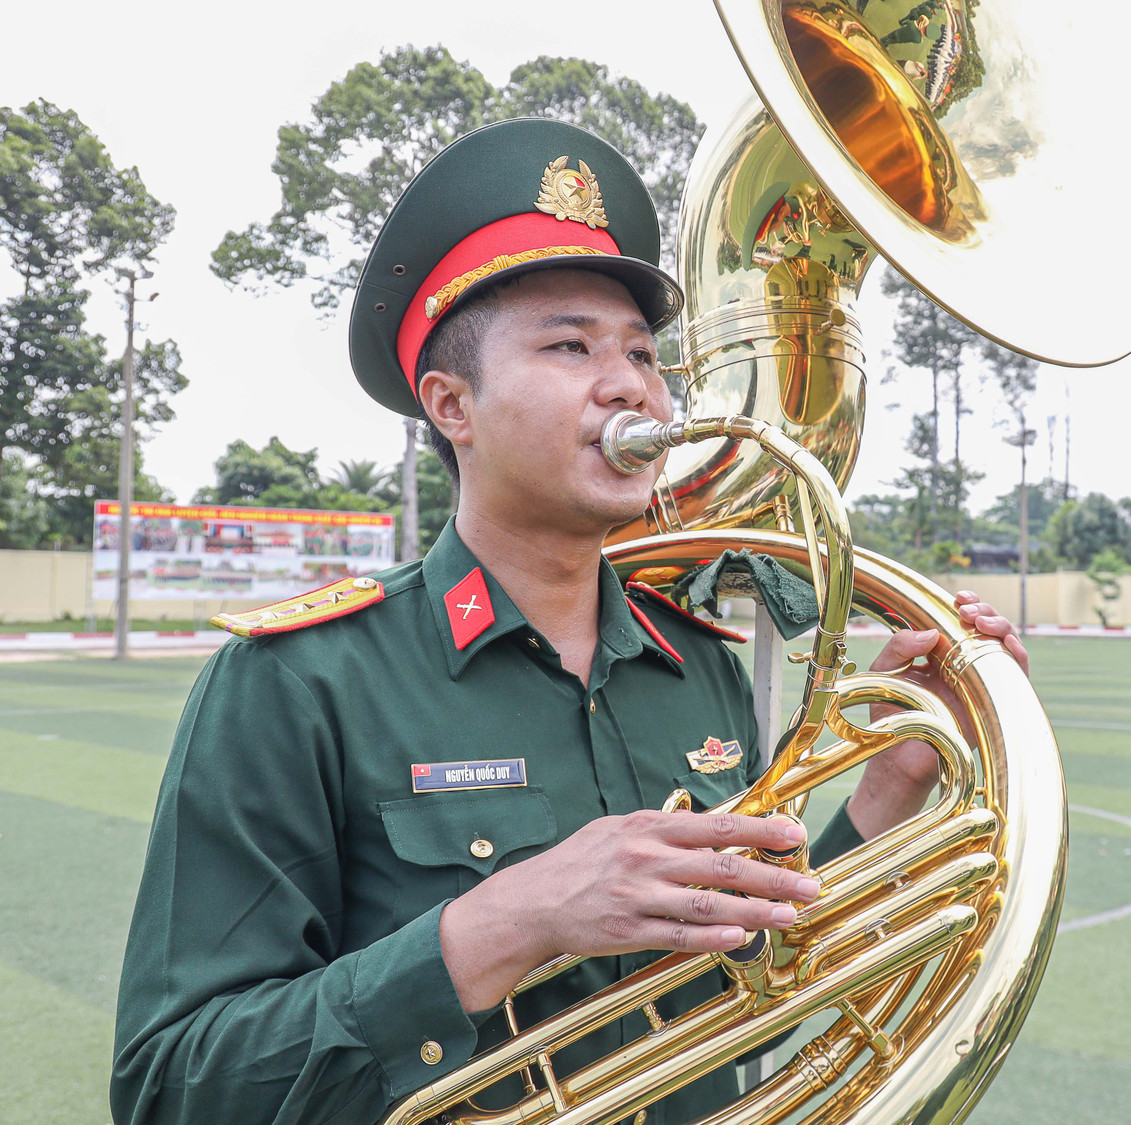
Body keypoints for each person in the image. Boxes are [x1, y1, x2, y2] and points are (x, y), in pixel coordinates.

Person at [110, 119, 1029, 1125]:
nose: (631, 383)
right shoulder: (298, 680)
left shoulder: (697, 669)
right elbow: (173, 1087)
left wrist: (892, 787)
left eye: (641, 351)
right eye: (569, 345)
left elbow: (748, 993)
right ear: (450, 404)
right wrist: (507, 921)